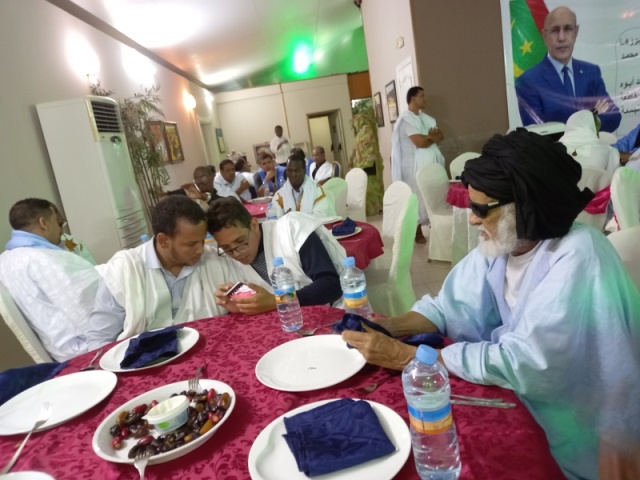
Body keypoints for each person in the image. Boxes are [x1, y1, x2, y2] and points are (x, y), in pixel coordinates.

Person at [342, 129, 640, 480]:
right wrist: (388, 326)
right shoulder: (507, 243)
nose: (472, 218)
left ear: (525, 206)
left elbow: (526, 361)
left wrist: (406, 357)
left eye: (481, 209)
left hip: (581, 427)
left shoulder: (578, 254)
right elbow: (448, 307)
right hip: (525, 397)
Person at [86, 196, 239, 348]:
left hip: (209, 352)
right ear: (163, 240)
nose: (200, 249)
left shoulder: (215, 261)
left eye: (202, 240)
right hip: (144, 359)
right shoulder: (125, 270)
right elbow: (100, 339)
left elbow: (240, 311)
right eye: (191, 244)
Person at [0, 198, 101, 361]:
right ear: (44, 223)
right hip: (86, 350)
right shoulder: (49, 259)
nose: (61, 231)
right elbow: (92, 311)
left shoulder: (5, 260)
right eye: (57, 222)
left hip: (59, 351)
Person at [207, 197, 344, 314]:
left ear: (254, 225)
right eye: (226, 248)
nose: (236, 254)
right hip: (285, 323)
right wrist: (241, 307)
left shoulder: (291, 229)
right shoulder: (228, 261)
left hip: (329, 316)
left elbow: (331, 285)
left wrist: (278, 301)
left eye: (241, 242)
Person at [515, 6, 621, 133]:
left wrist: (569, 127)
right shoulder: (527, 82)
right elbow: (538, 135)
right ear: (544, 35)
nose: (561, 37)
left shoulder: (591, 72)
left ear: (575, 33)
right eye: (555, 30)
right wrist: (592, 116)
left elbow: (614, 117)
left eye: (568, 29)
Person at [391, 86, 445, 243]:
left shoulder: (424, 118)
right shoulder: (406, 120)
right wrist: (431, 137)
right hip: (411, 167)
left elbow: (440, 135)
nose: (424, 99)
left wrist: (429, 137)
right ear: (413, 98)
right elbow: (420, 142)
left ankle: (434, 226)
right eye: (421, 96)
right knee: (415, 198)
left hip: (425, 165)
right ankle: (417, 232)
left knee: (430, 195)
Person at [272, 152, 337, 217]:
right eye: (289, 171)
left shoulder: (317, 193)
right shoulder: (279, 195)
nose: (293, 174)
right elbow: (275, 219)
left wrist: (292, 217)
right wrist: (285, 219)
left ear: (304, 170)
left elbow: (321, 217)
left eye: (297, 171)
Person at [559, 110, 620, 175]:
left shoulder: (556, 150)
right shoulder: (609, 151)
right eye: (595, 130)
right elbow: (613, 178)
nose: (598, 135)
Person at [349, 110, 384, 216]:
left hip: (369, 164)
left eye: (355, 122)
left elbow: (367, 146)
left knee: (372, 187)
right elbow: (356, 148)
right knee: (366, 187)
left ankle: (376, 208)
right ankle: (370, 209)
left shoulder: (367, 130)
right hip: (363, 164)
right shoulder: (360, 132)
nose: (354, 125)